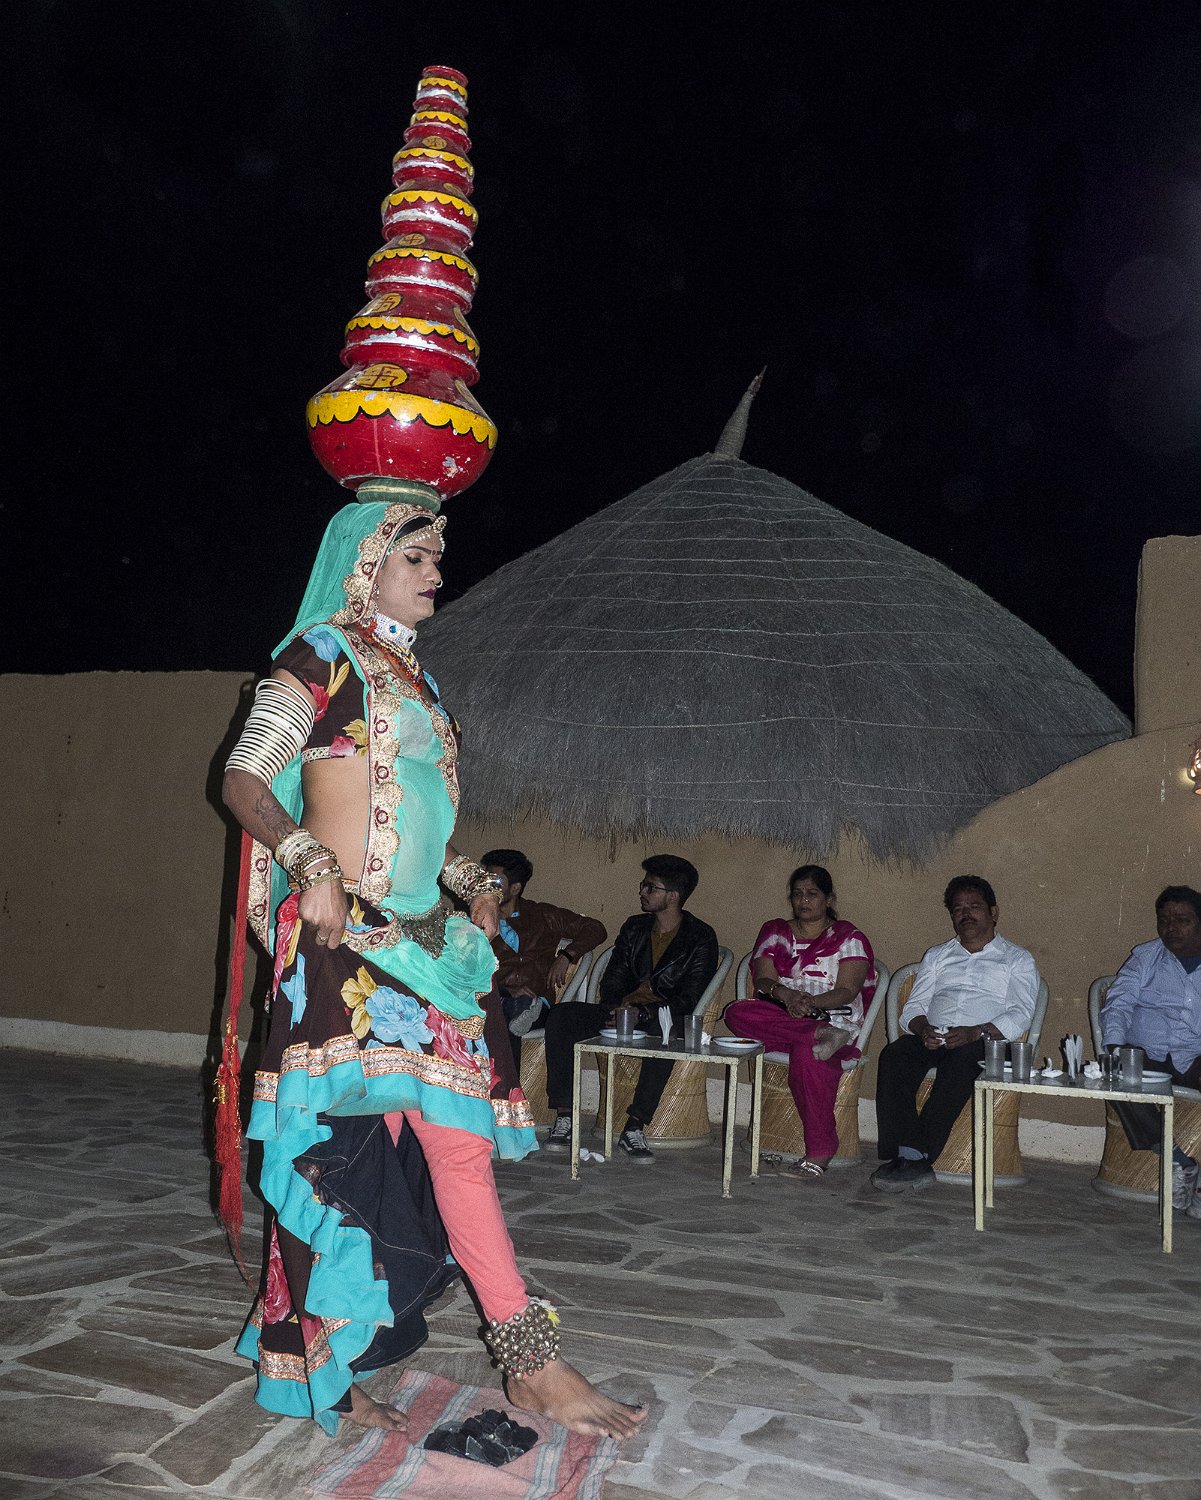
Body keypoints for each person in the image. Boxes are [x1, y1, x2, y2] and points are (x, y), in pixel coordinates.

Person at [221, 496, 644, 1439]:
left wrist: (469, 880)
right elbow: (245, 780)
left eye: (435, 556)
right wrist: (309, 864)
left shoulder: (421, 682)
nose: (436, 572)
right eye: (414, 555)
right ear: (362, 563)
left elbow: (415, 821)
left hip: (425, 946)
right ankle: (509, 1363)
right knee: (342, 1156)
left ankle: (488, 1361)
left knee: (448, 1144)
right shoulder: (320, 656)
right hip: (343, 943)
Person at [541, 855, 719, 1163]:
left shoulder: (700, 937)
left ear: (673, 896)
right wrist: (617, 1008)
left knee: (666, 1032)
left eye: (650, 887)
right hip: (623, 1014)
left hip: (660, 1018)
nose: (642, 891)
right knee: (562, 1016)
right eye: (643, 885)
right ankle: (566, 1116)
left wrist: (644, 1013)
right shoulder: (635, 927)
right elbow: (614, 977)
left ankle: (635, 1126)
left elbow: (689, 998)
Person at [872, 875, 1038, 1194]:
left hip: (986, 1042)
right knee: (895, 1055)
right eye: (958, 909)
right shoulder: (938, 955)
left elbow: (1021, 1012)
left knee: (963, 1060)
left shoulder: (1016, 959)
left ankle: (915, 1158)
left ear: (993, 912)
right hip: (937, 1037)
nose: (965, 914)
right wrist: (923, 1029)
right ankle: (910, 1154)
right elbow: (914, 1007)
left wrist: (977, 1031)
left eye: (974, 906)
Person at [723, 865, 875, 1183]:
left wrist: (811, 1004)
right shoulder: (776, 931)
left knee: (809, 1054)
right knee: (736, 1013)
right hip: (782, 1018)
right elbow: (763, 979)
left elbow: (847, 991)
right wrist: (787, 996)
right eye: (797, 894)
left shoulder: (849, 938)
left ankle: (820, 1151)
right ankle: (819, 1033)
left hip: (835, 1016)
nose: (804, 900)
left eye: (812, 894)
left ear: (829, 899)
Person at [1100, 884, 1201, 1217]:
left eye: (1182, 920)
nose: (1170, 928)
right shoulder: (1146, 957)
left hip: (1195, 1056)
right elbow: (1118, 1002)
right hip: (1147, 1054)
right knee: (1116, 1074)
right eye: (1163, 920)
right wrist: (1116, 1045)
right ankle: (1178, 1160)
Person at [481, 848, 607, 1063]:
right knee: (502, 1013)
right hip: (493, 1000)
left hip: (537, 1008)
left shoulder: (543, 915)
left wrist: (567, 954)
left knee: (506, 1016)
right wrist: (506, 992)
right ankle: (514, 1008)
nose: (486, 885)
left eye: (495, 880)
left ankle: (506, 1087)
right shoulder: (476, 919)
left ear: (515, 887)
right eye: (485, 879)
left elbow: (595, 929)